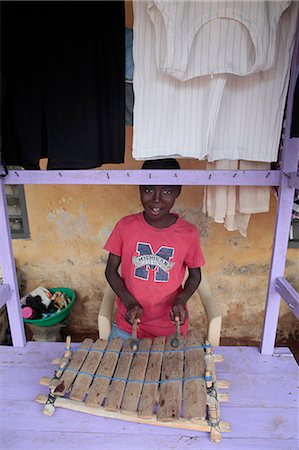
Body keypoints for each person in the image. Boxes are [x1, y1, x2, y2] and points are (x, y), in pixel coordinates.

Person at [104, 158, 205, 340]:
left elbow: (195, 275)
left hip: (169, 327)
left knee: (169, 368)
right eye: (149, 190)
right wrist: (129, 302)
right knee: (115, 367)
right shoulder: (125, 226)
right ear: (140, 189)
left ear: (178, 191)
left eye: (166, 191)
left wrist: (181, 300)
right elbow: (111, 271)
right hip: (129, 324)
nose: (156, 199)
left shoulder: (188, 233)